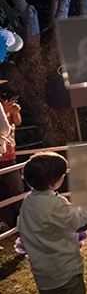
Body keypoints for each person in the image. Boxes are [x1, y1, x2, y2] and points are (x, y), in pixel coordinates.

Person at [16, 152, 87, 294]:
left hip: (43, 274)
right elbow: (82, 221)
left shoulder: (28, 203)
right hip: (67, 270)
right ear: (56, 180)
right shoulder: (55, 204)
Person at [0, 93, 23, 228]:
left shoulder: (8, 112)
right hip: (5, 155)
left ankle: (19, 220)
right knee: (11, 190)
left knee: (15, 190)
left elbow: (17, 122)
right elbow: (5, 130)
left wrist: (15, 112)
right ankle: (6, 222)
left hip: (10, 156)